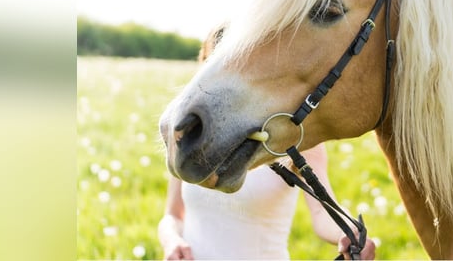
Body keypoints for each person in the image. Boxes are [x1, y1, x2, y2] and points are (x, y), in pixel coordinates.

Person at [158, 24, 376, 260]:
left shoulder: (292, 133)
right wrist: (172, 241)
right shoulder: (193, 136)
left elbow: (323, 212)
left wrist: (350, 233)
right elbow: (173, 215)